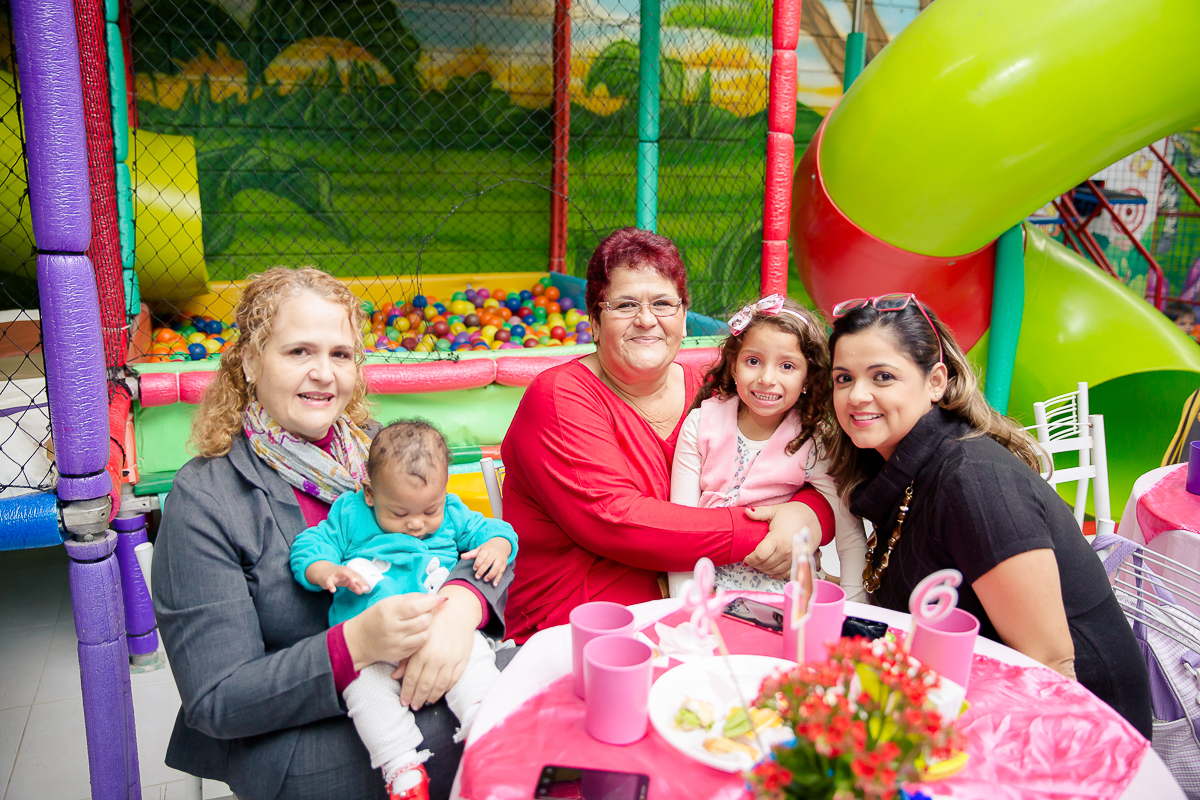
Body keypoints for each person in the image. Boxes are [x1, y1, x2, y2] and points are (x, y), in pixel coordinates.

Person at [152, 267, 512, 800]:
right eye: (299, 352)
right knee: (518, 743)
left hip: (442, 679)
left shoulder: (379, 449)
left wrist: (462, 608)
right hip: (309, 732)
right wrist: (356, 645)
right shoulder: (207, 498)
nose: (324, 373)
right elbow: (217, 699)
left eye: (340, 355)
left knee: (554, 697)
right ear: (250, 361)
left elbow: (465, 534)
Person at [826, 293, 1152, 737]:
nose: (857, 395)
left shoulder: (973, 481)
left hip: (1077, 732)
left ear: (936, 381)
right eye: (843, 378)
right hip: (970, 699)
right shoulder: (898, 469)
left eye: (882, 376)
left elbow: (1052, 665)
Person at [501, 227, 835, 643]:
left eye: (662, 303)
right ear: (594, 320)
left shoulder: (717, 388)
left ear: (682, 315)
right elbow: (618, 521)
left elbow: (800, 459)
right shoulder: (560, 395)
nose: (646, 319)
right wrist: (772, 533)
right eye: (624, 305)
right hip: (585, 617)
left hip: (718, 601)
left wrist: (809, 514)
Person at [290, 419, 518, 800]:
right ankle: (401, 768)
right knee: (363, 692)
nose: (416, 523)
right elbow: (309, 547)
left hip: (441, 628)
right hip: (373, 644)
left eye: (430, 510)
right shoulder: (350, 514)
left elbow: (492, 529)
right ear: (369, 493)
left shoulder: (452, 512)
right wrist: (327, 571)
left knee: (475, 655)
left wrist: (497, 545)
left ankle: (486, 729)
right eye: (398, 513)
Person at [669, 294, 867, 600]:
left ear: (808, 377)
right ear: (734, 366)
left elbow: (849, 533)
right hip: (712, 594)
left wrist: (856, 607)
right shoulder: (701, 423)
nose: (766, 379)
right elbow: (681, 530)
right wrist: (686, 606)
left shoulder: (812, 438)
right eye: (753, 361)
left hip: (788, 595)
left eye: (787, 366)